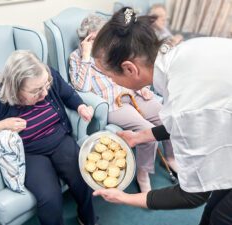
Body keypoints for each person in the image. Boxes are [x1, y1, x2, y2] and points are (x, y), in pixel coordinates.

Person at [91, 7, 232, 225]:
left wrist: (126, 198)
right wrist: (140, 137)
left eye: (110, 77)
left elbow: (192, 195)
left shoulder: (184, 106)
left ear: (129, 69)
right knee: (215, 205)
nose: (113, 83)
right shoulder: (186, 51)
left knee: (220, 219)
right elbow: (194, 119)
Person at [0, 50, 97, 225]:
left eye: (46, 85)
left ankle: (88, 219)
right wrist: (0, 125)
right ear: (15, 88)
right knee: (50, 198)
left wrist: (80, 107)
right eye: (36, 91)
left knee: (82, 175)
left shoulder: (45, 75)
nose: (44, 93)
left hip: (59, 138)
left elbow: (68, 94)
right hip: (29, 152)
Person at [69, 14, 177, 193]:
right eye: (94, 38)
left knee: (166, 117)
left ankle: (171, 158)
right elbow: (81, 86)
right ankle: (143, 174)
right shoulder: (78, 57)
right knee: (146, 130)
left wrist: (142, 86)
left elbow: (133, 70)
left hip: (132, 92)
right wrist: (87, 56)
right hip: (114, 104)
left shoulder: (113, 49)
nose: (101, 43)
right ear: (84, 39)